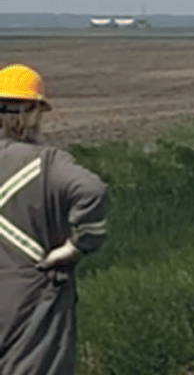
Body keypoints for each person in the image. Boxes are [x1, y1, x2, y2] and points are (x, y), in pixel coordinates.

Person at [0, 64, 110, 375]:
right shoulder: (47, 162)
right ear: (33, 113)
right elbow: (93, 192)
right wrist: (78, 245)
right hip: (34, 294)